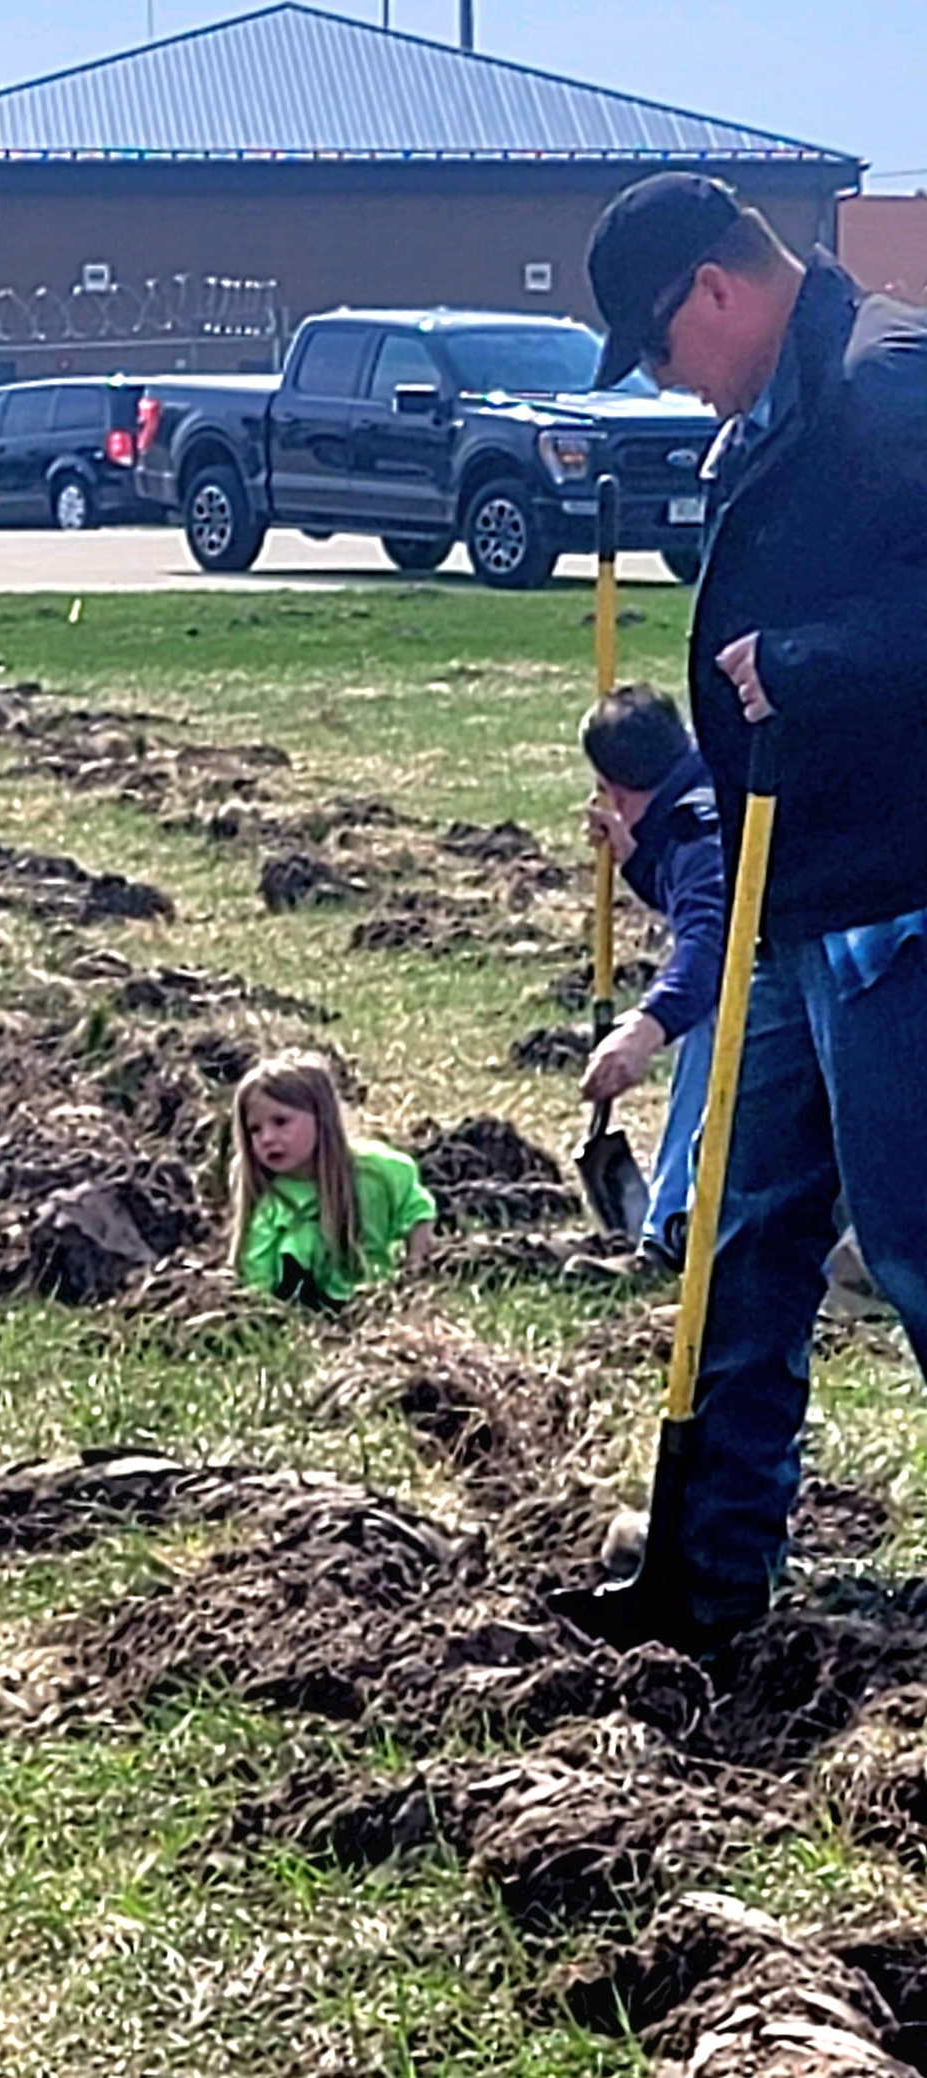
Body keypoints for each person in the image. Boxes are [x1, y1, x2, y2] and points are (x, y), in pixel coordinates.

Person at [571, 169, 927, 1653]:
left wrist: (820, 655)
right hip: (800, 900)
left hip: (898, 903)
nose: (666, 382)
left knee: (915, 1244)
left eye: (658, 348)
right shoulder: (776, 409)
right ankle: (709, 1571)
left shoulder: (885, 382)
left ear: (714, 290)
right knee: (744, 1231)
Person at [576, 682, 724, 1274]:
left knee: (715, 1033)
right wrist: (637, 858)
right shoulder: (710, 780)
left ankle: (667, 1235)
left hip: (819, 972)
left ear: (612, 788)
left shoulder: (698, 829)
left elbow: (711, 942)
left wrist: (645, 1027)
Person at [229, 1049, 436, 1310]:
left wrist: (415, 1269)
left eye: (281, 1121)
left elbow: (417, 1209)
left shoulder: (376, 1172)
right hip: (305, 1320)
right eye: (255, 1130)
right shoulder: (272, 1205)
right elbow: (257, 1280)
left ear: (322, 1116)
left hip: (376, 1306)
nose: (267, 1138)